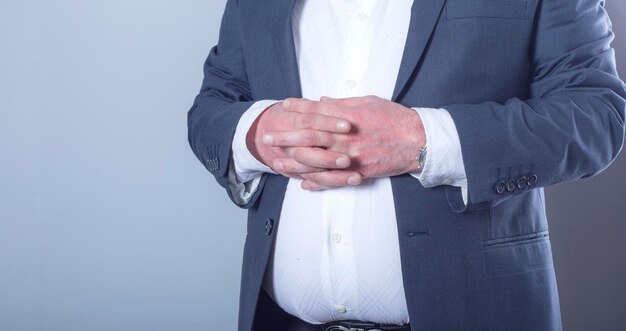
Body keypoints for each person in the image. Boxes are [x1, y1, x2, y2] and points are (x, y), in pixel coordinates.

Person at [187, 0, 625, 330]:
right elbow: (215, 103)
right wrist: (256, 134)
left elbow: (595, 114)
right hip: (279, 320)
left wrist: (421, 138)